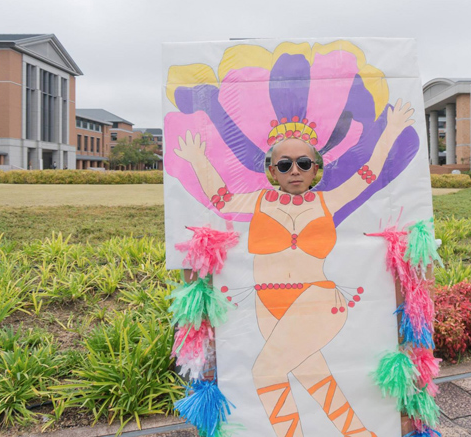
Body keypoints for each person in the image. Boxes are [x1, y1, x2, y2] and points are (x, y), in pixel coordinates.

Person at [174, 100, 413, 437]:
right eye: (285, 165)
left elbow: (368, 176)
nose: (295, 171)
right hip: (267, 305)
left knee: (267, 373)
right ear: (272, 171)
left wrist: (391, 131)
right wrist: (198, 159)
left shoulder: (328, 201)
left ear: (316, 169)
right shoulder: (258, 202)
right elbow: (221, 200)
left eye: (304, 163)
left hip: (318, 302)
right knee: (316, 378)